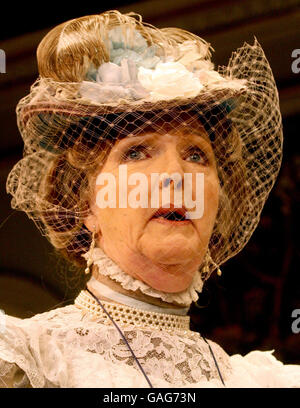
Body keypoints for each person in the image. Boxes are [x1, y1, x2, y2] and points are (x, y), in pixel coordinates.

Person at [1, 10, 299, 388]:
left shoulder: (261, 382)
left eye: (196, 155)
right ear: (84, 205)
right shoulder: (29, 361)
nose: (176, 175)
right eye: (137, 152)